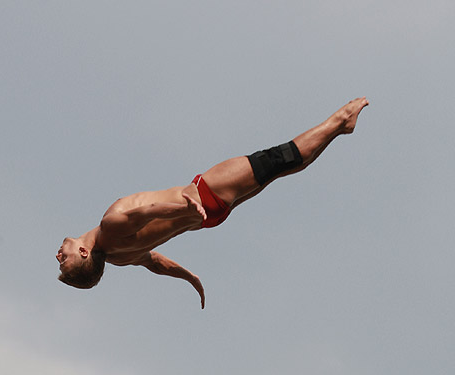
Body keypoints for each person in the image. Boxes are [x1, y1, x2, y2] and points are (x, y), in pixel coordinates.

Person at [56, 98, 368, 308]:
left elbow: (155, 263)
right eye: (64, 260)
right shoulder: (109, 226)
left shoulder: (119, 258)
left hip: (209, 218)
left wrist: (189, 277)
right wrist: (185, 208)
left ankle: (340, 128)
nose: (59, 255)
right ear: (84, 252)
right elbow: (146, 213)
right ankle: (341, 118)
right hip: (203, 197)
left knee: (279, 169)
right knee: (277, 158)